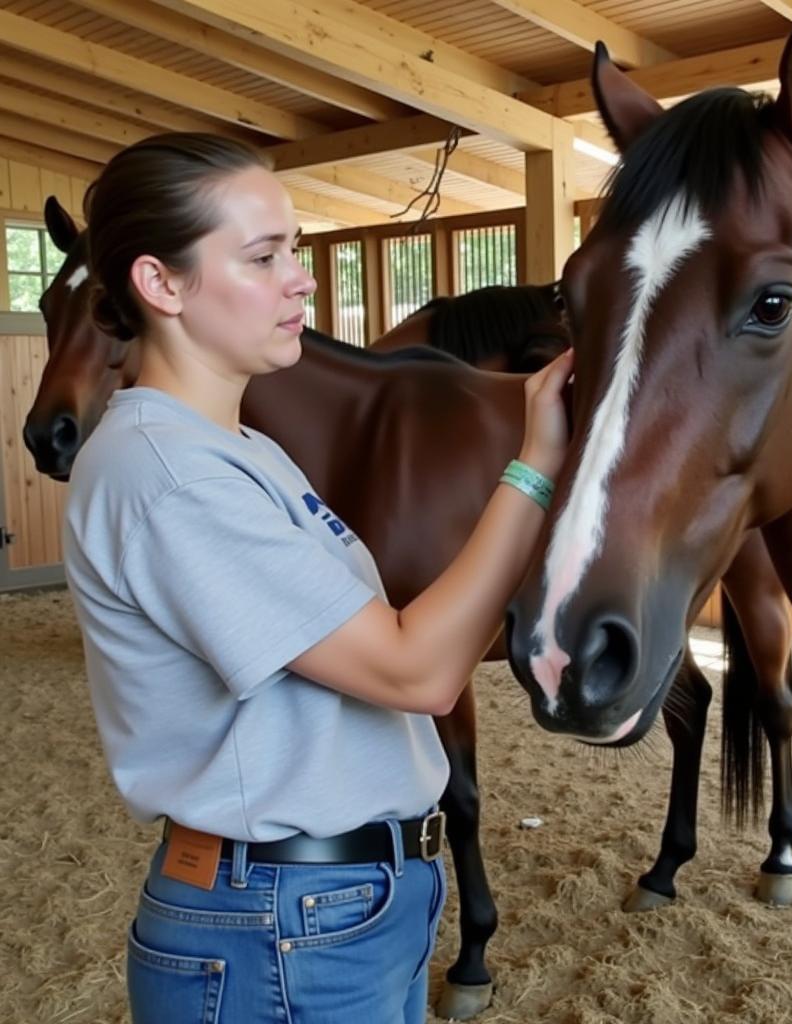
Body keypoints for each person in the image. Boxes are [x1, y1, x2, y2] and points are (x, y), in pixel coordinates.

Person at [62, 132, 574, 1024]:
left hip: (340, 907)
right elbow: (415, 671)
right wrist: (532, 468)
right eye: (263, 257)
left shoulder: (247, 450)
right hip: (278, 924)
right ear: (161, 284)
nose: (300, 280)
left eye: (293, 251)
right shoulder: (171, 476)